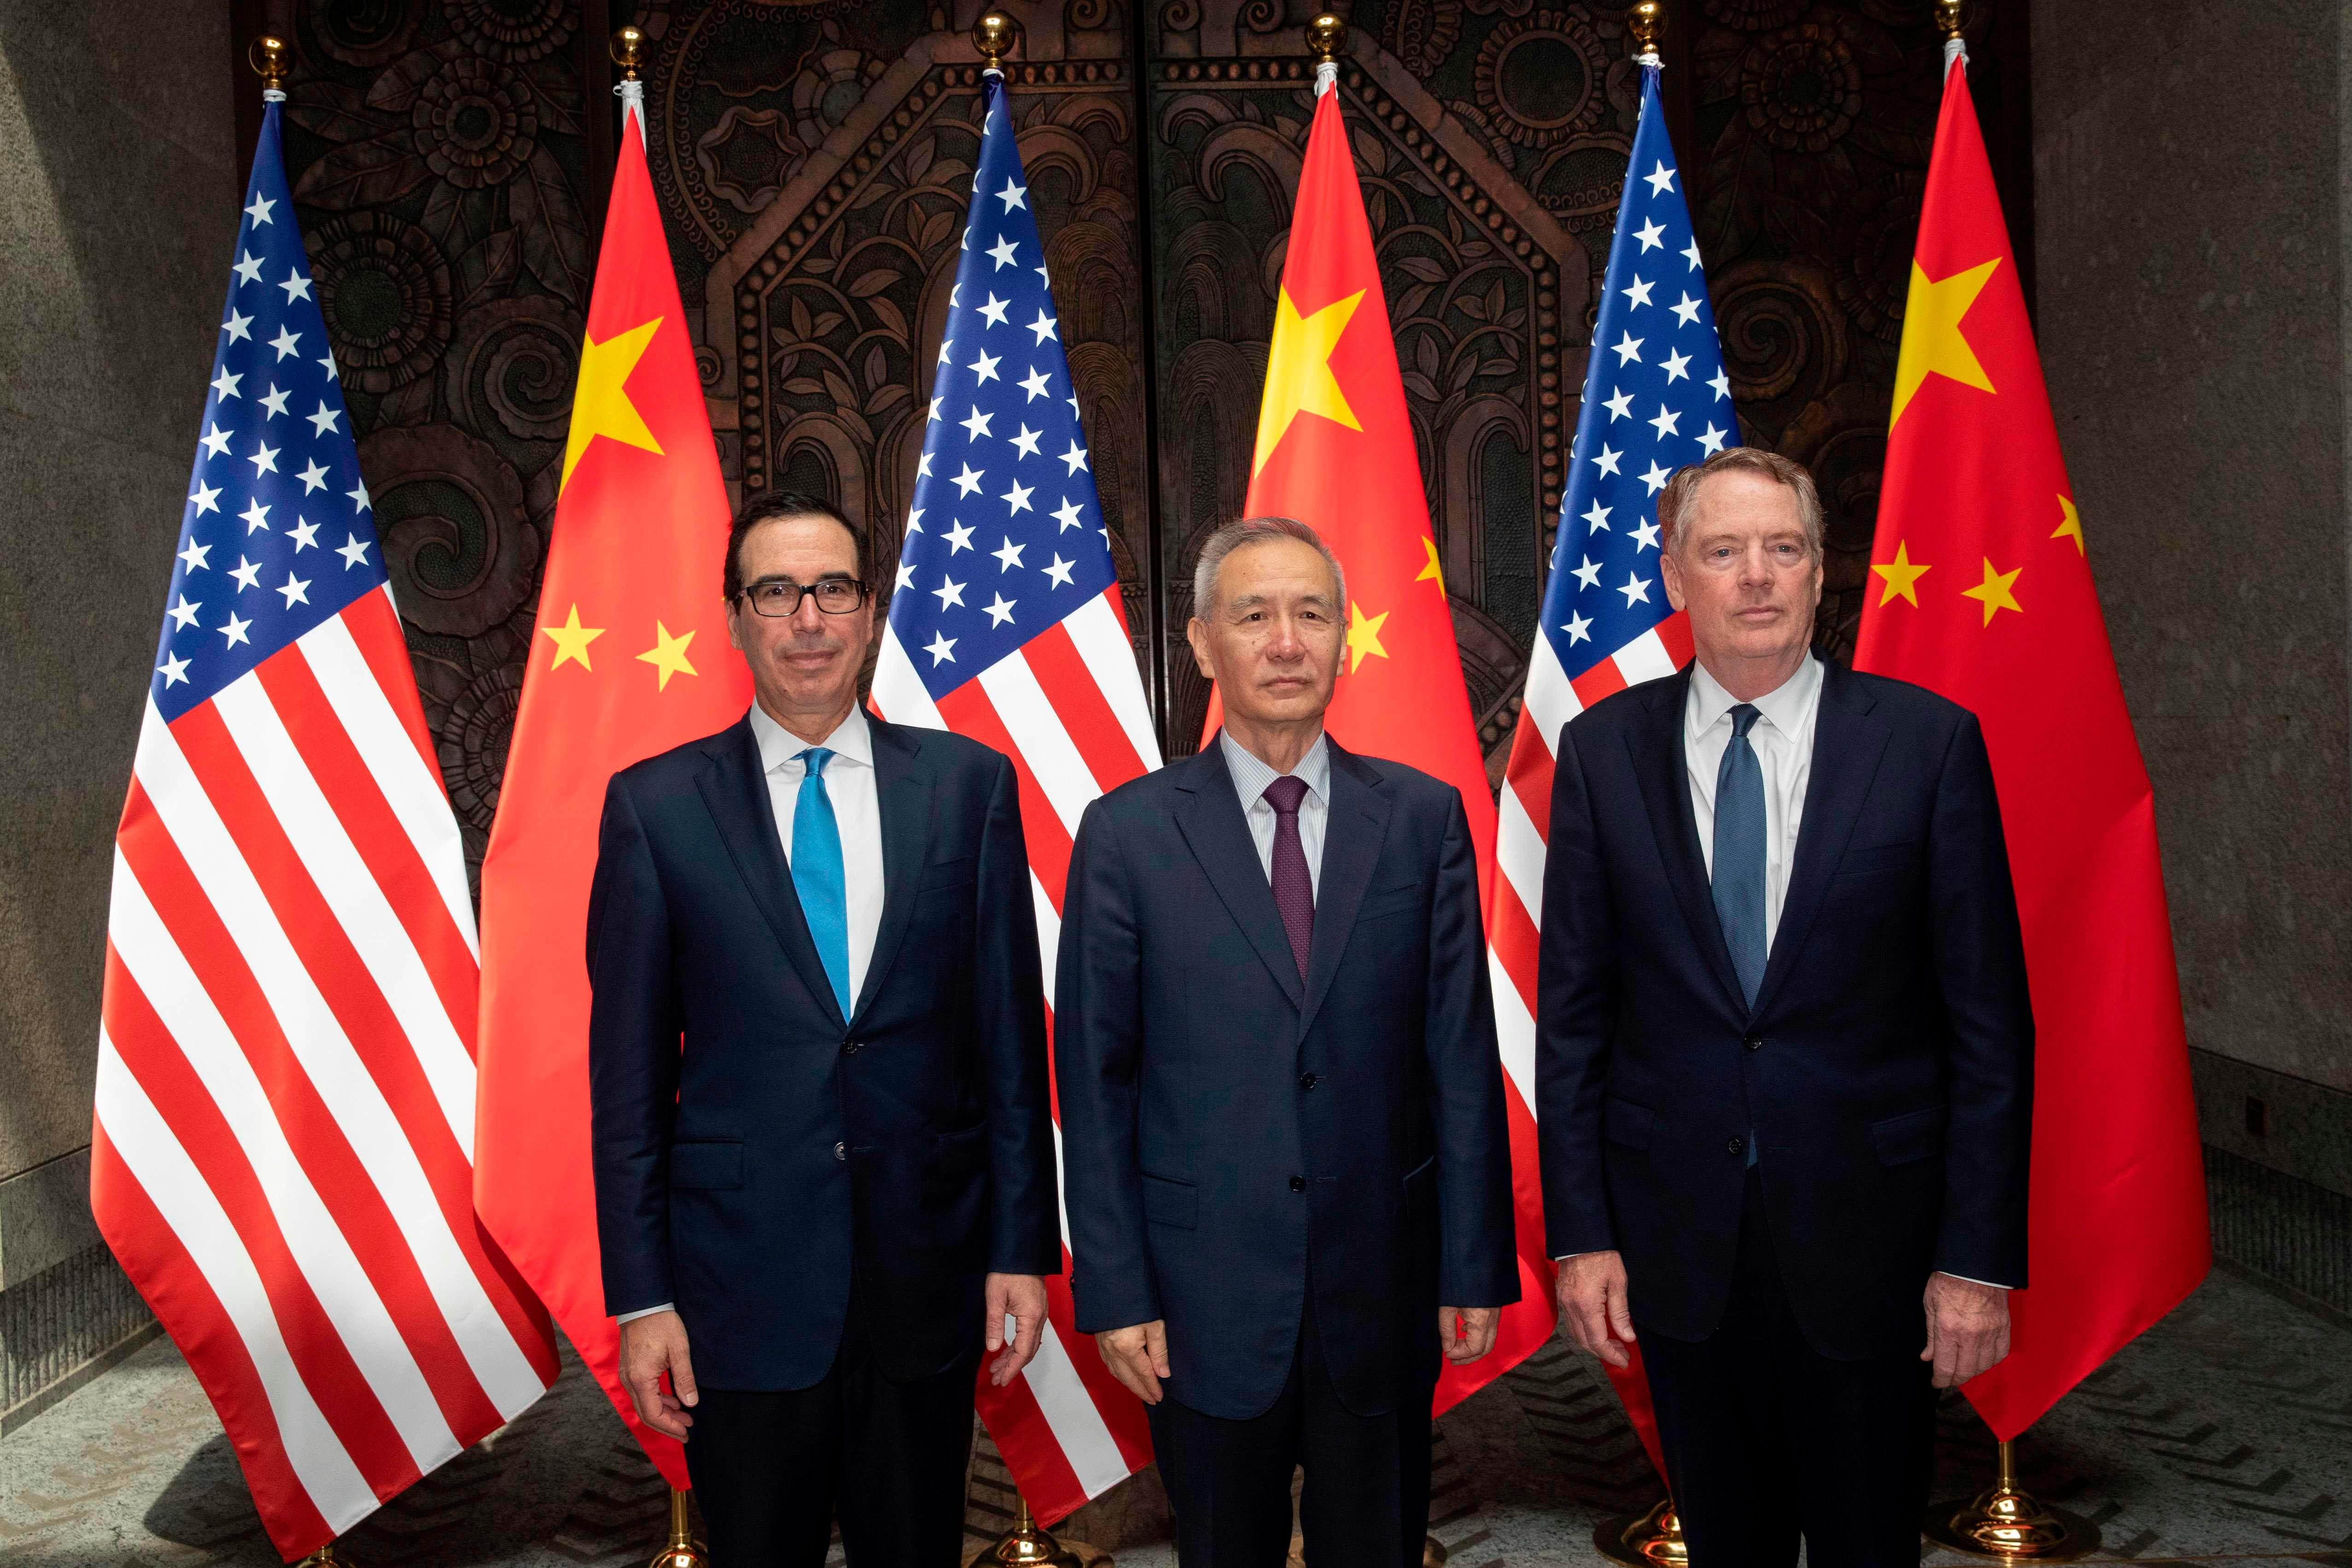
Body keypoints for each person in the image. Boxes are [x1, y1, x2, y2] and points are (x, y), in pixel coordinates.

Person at [1537, 447, 2033, 1564]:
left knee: (1869, 1542)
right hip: (1677, 1244)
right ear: (1675, 576)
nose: (1755, 575)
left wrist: (1975, 1257)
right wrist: (1582, 1234)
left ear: (1820, 573)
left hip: (1877, 1243)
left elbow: (1989, 1029)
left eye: (1784, 548)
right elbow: (1573, 1018)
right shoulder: (1602, 752)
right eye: (1723, 550)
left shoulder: (1926, 744)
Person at [586, 488, 1059, 1566]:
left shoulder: (966, 788)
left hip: (925, 1279)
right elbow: (625, 1082)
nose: (809, 618)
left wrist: (1019, 1248)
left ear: (870, 608)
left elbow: (1006, 1044)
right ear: (735, 617)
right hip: (736, 1295)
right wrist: (643, 1293)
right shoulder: (655, 809)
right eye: (777, 591)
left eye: (833, 589)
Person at [1054, 515, 1519, 1567]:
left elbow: (1456, 1054)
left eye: (1312, 614)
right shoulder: (1126, 834)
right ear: (1201, 642)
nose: (1285, 641)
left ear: (1344, 640)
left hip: (1382, 1279)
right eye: (1253, 615)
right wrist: (1117, 1285)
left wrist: (1473, 1261)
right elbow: (1095, 1078)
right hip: (1198, 1294)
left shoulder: (1419, 818)